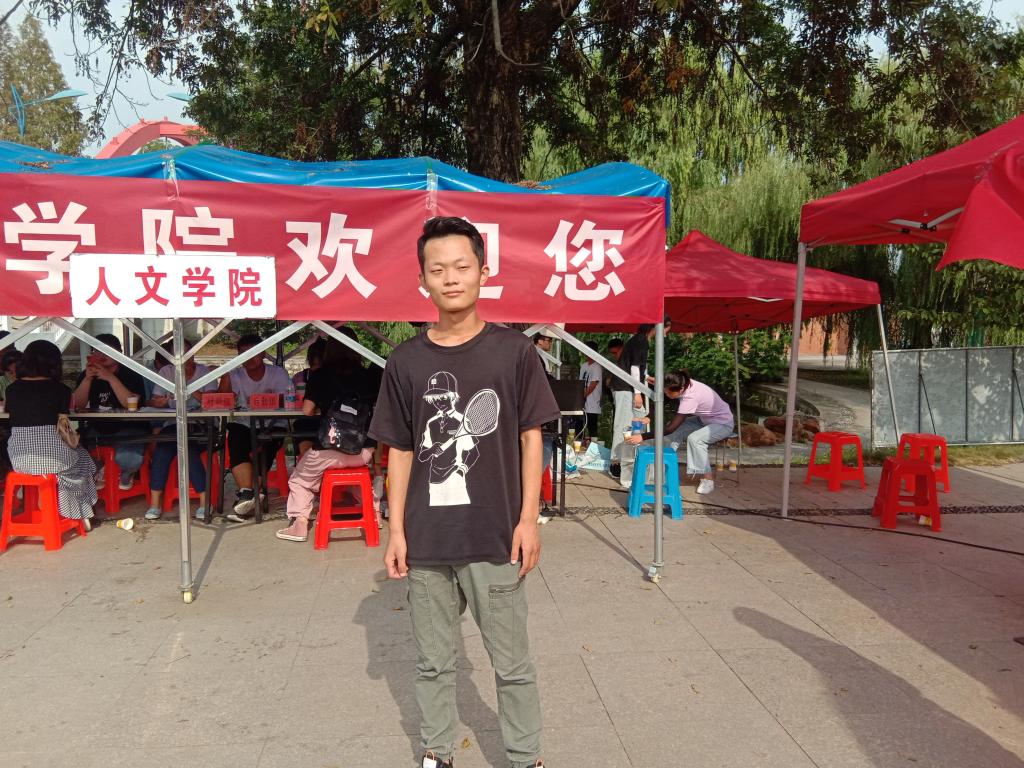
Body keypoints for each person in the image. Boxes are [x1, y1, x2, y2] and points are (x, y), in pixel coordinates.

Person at [369, 216, 557, 768]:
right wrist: (396, 530)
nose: (450, 278)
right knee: (433, 663)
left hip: (495, 538)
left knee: (512, 665)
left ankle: (525, 756)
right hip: (427, 541)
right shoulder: (405, 361)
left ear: (483, 272)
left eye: (461, 266)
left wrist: (528, 520)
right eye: (438, 269)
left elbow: (531, 438)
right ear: (422, 280)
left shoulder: (514, 352)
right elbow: (400, 450)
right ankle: (438, 751)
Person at [276, 331, 382, 542]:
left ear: (329, 350)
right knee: (358, 476)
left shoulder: (320, 376)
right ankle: (374, 513)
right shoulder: (369, 376)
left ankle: (300, 523)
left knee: (299, 480)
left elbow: (307, 410)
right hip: (363, 451)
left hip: (330, 449)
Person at [5, 340, 98, 526]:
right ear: (55, 364)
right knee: (84, 458)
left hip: (19, 460)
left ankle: (36, 491)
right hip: (56, 460)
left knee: (67, 459)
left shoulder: (12, 389)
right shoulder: (61, 390)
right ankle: (79, 510)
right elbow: (64, 421)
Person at [144, 346, 228, 522]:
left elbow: (209, 401)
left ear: (193, 354)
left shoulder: (204, 372)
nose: (183, 358)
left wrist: (185, 385)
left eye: (187, 354)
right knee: (161, 450)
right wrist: (159, 402)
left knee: (188, 451)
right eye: (178, 354)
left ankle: (205, 502)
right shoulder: (166, 371)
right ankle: (155, 503)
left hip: (203, 425)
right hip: (174, 423)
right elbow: (153, 400)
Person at [623, 370, 734, 493]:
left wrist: (642, 437)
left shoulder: (690, 398)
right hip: (704, 419)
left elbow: (671, 428)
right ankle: (662, 469)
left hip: (723, 423)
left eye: (668, 392)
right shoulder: (681, 383)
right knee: (672, 436)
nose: (666, 393)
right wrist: (649, 416)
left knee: (695, 439)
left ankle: (708, 479)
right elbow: (665, 397)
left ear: (680, 390)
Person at [225, 333, 292, 521]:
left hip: (273, 423)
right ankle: (250, 494)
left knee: (266, 445)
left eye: (253, 353)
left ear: (262, 353)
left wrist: (263, 400)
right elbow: (223, 400)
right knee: (235, 438)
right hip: (244, 423)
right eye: (243, 354)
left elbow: (288, 398)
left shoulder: (278, 373)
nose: (249, 358)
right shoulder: (234, 375)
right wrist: (224, 376)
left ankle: (246, 497)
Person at [72, 333, 147, 490]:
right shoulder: (87, 375)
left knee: (129, 457)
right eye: (97, 351)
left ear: (118, 353)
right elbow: (77, 404)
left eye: (107, 351)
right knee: (72, 449)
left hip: (129, 427)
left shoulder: (131, 373)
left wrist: (111, 378)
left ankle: (125, 474)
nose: (101, 355)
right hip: (97, 428)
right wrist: (87, 379)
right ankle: (99, 469)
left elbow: (130, 404)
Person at [607, 319, 670, 480]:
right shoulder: (641, 340)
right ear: (656, 326)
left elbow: (636, 366)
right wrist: (637, 392)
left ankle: (631, 460)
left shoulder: (639, 339)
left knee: (639, 421)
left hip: (627, 387)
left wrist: (646, 377)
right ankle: (616, 463)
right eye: (666, 330)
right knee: (624, 425)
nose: (665, 334)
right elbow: (634, 367)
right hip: (625, 388)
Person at [292, 337, 326, 457]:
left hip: (326, 421)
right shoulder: (299, 378)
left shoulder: (333, 376)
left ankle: (308, 459)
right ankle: (308, 458)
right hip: (306, 420)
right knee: (302, 425)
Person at [578, 353, 602, 441]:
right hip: (582, 403)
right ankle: (579, 444)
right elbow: (580, 382)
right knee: (579, 427)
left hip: (592, 403)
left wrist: (582, 396)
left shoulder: (597, 367)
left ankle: (594, 446)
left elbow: (593, 384)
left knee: (592, 428)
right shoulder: (584, 366)